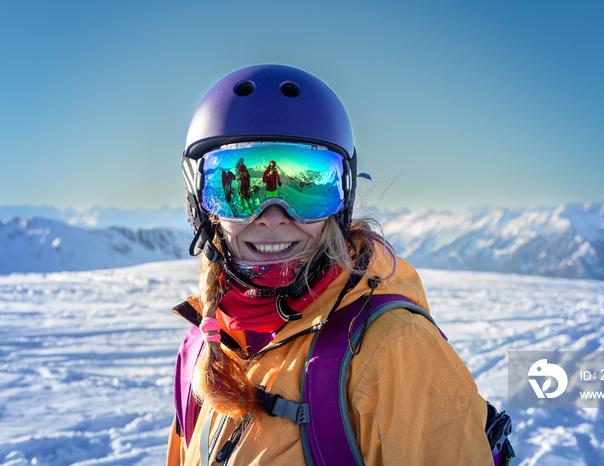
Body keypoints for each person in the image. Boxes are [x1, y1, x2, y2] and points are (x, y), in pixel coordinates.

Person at [167, 64, 494, 465]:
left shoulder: (394, 350)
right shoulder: (203, 349)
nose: (272, 215)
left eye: (306, 187)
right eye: (238, 188)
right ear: (201, 205)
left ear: (344, 198)